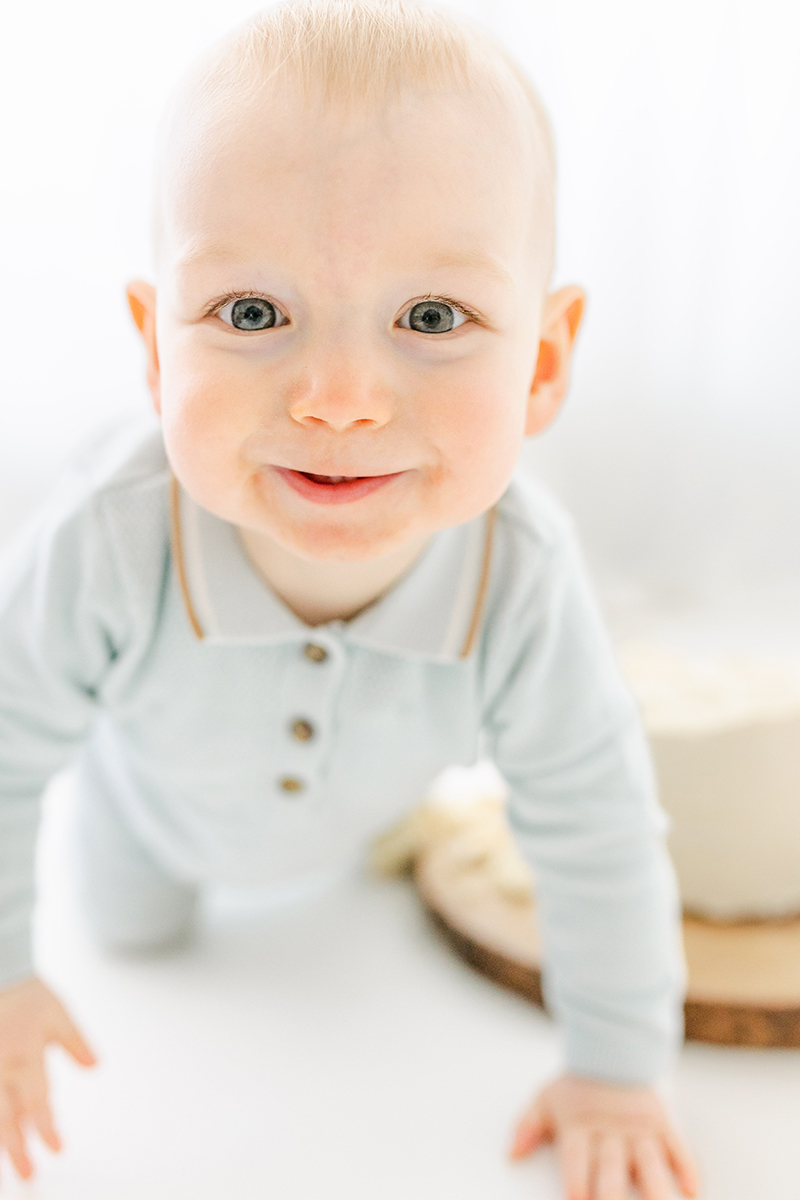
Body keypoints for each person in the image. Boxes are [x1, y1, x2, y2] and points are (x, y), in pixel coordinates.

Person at [0, 2, 698, 1196]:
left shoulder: (520, 581)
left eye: (430, 318)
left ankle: (381, 834)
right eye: (252, 313)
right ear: (157, 348)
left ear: (538, 361)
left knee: (365, 884)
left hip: (365, 805)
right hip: (147, 820)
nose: (337, 399)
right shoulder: (110, 542)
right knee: (134, 939)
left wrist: (616, 1070)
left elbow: (595, 829)